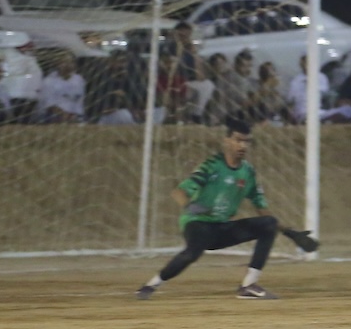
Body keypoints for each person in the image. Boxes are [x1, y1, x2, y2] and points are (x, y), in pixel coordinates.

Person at [136, 119, 318, 300]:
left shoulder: (248, 173)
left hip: (221, 229)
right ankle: (151, 285)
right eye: (238, 140)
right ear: (227, 141)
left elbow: (262, 208)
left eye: (247, 141)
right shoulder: (211, 166)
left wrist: (289, 233)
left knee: (268, 224)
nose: (243, 146)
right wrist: (190, 206)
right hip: (198, 224)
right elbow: (179, 192)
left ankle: (248, 285)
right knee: (192, 253)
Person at [38, 54, 87, 123]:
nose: (68, 65)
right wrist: (66, 115)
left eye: (71, 62)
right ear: (57, 64)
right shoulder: (49, 81)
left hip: (76, 115)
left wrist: (74, 116)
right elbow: (49, 105)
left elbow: (79, 102)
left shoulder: (79, 80)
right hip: (53, 115)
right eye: (64, 62)